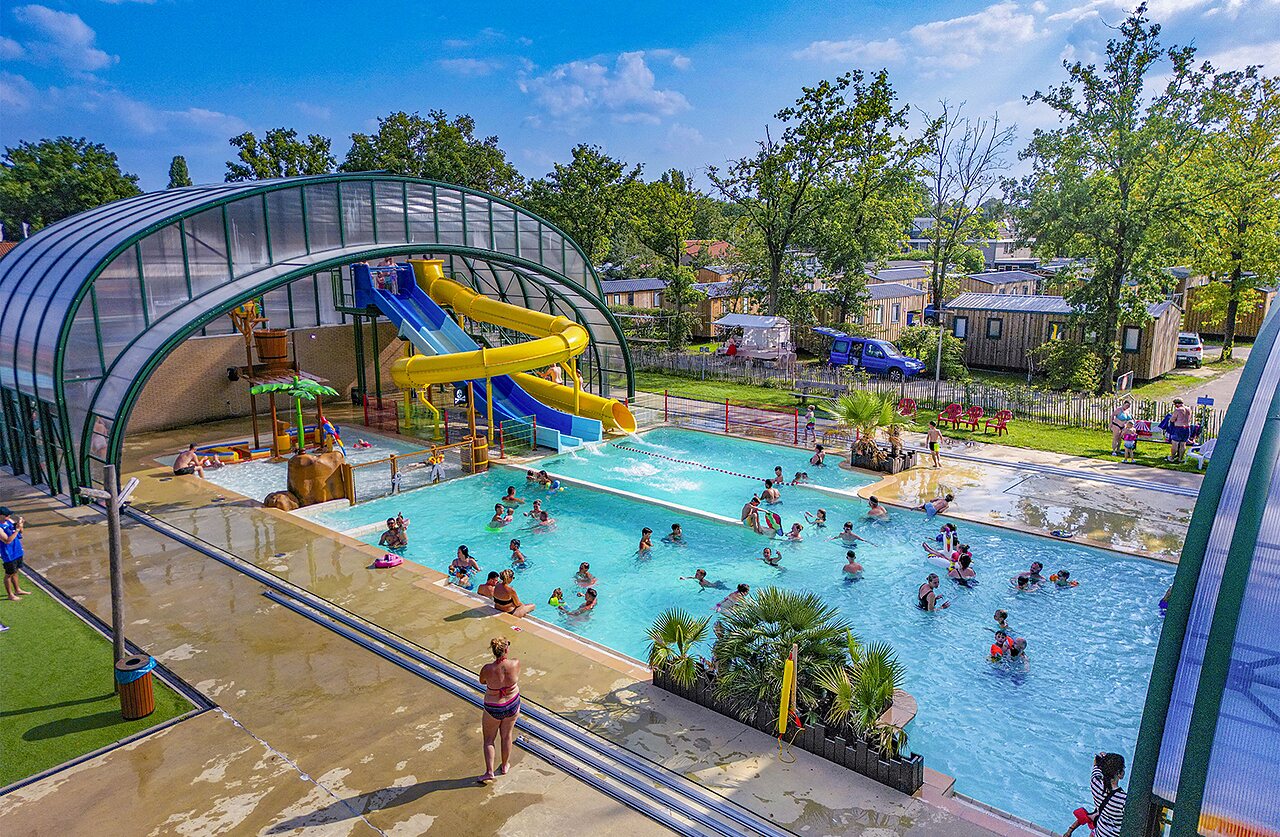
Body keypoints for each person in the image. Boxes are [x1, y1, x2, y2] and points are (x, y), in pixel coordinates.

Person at [478, 637, 522, 783]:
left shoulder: (487, 669)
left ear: (493, 650)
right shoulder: (515, 663)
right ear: (506, 649)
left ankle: (489, 772)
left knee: (489, 740)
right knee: (507, 736)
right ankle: (504, 766)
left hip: (494, 707)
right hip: (512, 703)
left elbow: (482, 681)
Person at [1065, 753, 1127, 837]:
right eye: (1123, 768)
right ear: (1119, 774)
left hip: (1099, 833)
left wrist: (1102, 760)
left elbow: (1096, 766)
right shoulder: (1123, 800)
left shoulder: (1095, 783)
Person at [1, 508, 28, 600]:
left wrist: (20, 525)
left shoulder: (9, 521)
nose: (9, 516)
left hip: (17, 550)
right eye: (7, 515)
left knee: (15, 571)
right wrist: (16, 530)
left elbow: (20, 532)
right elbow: (7, 541)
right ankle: (10, 595)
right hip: (9, 554)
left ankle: (17, 590)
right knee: (9, 574)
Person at [1168, 398, 1193, 463]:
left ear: (1176, 404)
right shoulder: (1189, 409)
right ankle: (1180, 459)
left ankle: (1172, 458)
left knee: (1175, 443)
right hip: (1187, 428)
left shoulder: (1178, 410)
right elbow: (1189, 418)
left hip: (1178, 428)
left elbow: (1172, 419)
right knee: (1183, 444)